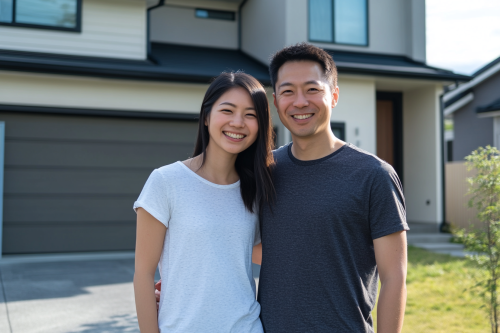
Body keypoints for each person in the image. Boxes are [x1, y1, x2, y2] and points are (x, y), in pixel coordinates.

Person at [156, 43, 408, 333]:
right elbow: (234, 238)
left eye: (312, 89)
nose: (300, 102)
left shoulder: (373, 175)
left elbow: (394, 277)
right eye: (288, 91)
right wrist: (179, 289)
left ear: (334, 95)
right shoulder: (263, 171)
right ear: (275, 102)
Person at [133, 72, 274, 333]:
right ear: (207, 117)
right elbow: (143, 275)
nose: (238, 122)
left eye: (250, 114)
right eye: (227, 110)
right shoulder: (166, 181)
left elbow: (243, 249)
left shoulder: (256, 188)